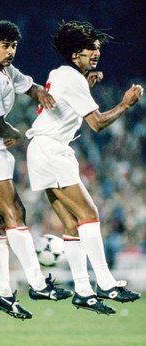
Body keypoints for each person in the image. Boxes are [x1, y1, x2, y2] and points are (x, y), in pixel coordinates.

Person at [26, 20, 143, 315]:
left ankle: (83, 290)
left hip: (41, 149)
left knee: (71, 224)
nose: (96, 53)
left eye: (98, 49)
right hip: (52, 150)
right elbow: (97, 123)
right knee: (89, 214)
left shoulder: (60, 74)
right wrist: (126, 103)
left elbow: (65, 103)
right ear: (75, 52)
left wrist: (85, 86)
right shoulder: (73, 79)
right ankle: (104, 281)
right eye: (91, 48)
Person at [0, 19, 73, 320]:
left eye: (13, 45)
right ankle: (38, 284)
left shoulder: (4, 70)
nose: (11, 50)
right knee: (16, 213)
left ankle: (2, 293)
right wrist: (22, 131)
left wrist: (43, 94)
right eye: (5, 45)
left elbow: (30, 86)